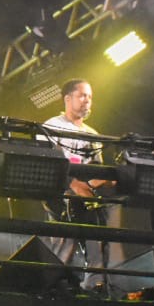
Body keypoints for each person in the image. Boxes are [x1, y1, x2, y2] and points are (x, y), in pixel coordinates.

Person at [42, 79, 114, 291]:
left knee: (97, 240)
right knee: (65, 242)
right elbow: (47, 164)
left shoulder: (92, 133)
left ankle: (95, 286)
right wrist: (72, 184)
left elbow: (98, 168)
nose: (87, 100)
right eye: (82, 95)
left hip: (87, 196)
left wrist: (100, 183)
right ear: (67, 98)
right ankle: (58, 286)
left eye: (90, 97)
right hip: (61, 194)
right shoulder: (51, 126)